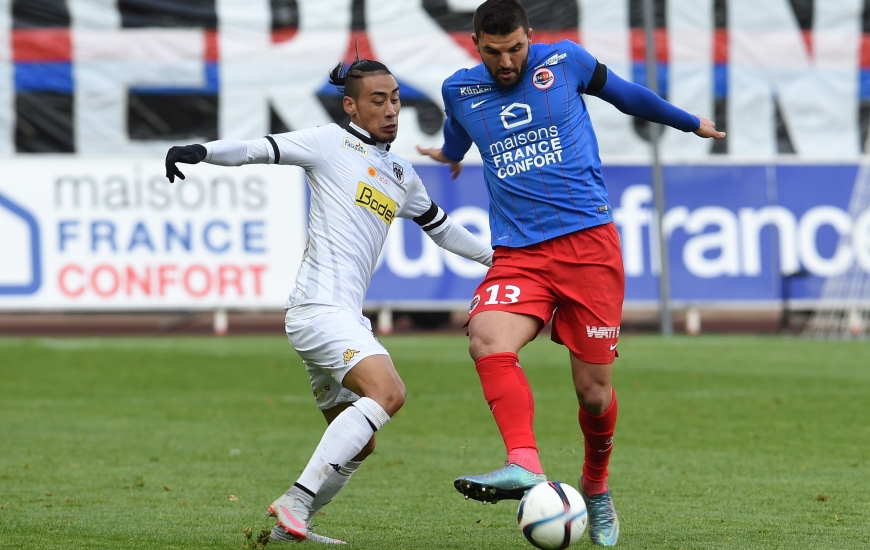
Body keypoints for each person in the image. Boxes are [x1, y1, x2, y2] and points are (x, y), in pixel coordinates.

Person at [417, 0, 725, 546]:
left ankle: (597, 487)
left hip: (588, 247)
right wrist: (449, 154)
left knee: (594, 395)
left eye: (515, 48)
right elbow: (460, 132)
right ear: (476, 45)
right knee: (487, 337)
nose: (507, 61)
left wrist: (687, 122)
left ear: (529, 36)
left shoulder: (566, 63)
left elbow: (628, 95)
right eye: (495, 53)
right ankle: (524, 464)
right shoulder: (460, 90)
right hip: (519, 252)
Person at [165, 59, 493, 545]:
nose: (390, 110)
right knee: (388, 394)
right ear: (351, 105)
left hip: (341, 316)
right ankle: (296, 500)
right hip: (320, 309)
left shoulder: (401, 174)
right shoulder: (327, 143)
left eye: (396, 99)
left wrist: (498, 260)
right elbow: (258, 150)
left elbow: (442, 229)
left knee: (361, 442)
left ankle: (287, 529)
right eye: (377, 101)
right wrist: (200, 151)